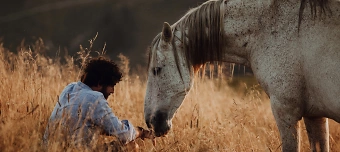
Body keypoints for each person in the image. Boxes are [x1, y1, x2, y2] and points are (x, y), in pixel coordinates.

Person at [43, 56, 154, 148]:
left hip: (51, 148)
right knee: (131, 145)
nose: (113, 91)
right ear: (100, 83)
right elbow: (124, 134)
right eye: (112, 86)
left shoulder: (70, 88)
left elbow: (88, 125)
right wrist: (140, 132)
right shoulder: (94, 98)